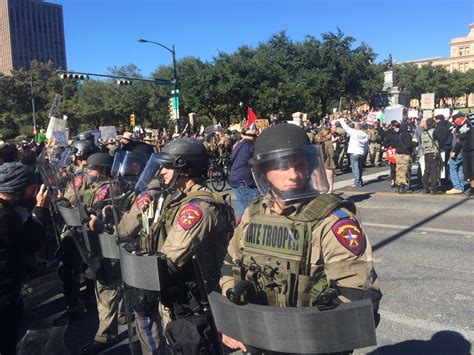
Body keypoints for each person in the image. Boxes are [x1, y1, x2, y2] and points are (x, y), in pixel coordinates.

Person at [220, 124, 381, 353]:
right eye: (283, 166)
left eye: (300, 165)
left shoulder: (332, 220)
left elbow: (357, 294)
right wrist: (234, 320)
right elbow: (230, 267)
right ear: (264, 169)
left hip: (311, 342)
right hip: (259, 336)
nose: (294, 175)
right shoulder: (253, 214)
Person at [121, 138, 234, 354]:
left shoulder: (198, 208)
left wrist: (145, 265)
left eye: (167, 166)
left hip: (196, 300)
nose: (161, 171)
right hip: (181, 293)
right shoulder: (178, 198)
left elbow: (170, 258)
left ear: (184, 168)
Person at [0, 162, 51, 354]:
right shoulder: (5, 217)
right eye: (32, 188)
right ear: (18, 189)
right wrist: (40, 209)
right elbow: (31, 243)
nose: (35, 192)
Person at [229, 129, 260, 219]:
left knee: (241, 209)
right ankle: (249, 230)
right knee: (252, 210)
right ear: (254, 137)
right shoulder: (252, 147)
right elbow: (257, 162)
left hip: (234, 178)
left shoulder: (237, 145)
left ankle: (240, 230)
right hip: (246, 180)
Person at [339, 119, 368, 187]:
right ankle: (359, 180)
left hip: (354, 152)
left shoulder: (354, 132)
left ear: (357, 127)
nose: (353, 126)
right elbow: (366, 145)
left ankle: (357, 182)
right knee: (359, 167)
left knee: (355, 167)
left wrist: (341, 121)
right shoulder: (365, 135)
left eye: (355, 125)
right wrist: (364, 153)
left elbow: (346, 128)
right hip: (361, 153)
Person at [452, 112, 474, 197]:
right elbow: (458, 140)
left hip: (473, 148)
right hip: (465, 150)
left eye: (456, 120)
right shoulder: (458, 127)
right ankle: (472, 189)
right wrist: (454, 150)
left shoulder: (470, 121)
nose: (455, 122)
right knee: (468, 171)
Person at [393, 122, 417, 193]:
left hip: (398, 154)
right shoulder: (407, 135)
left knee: (398, 169)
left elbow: (394, 144)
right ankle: (402, 187)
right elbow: (408, 145)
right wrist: (416, 143)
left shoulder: (398, 134)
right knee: (404, 170)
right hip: (405, 154)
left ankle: (397, 185)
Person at [421, 118, 443, 194]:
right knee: (434, 171)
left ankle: (425, 188)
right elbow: (441, 140)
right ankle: (434, 188)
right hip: (433, 153)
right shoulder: (434, 132)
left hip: (426, 153)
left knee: (427, 170)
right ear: (433, 123)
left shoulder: (423, 133)